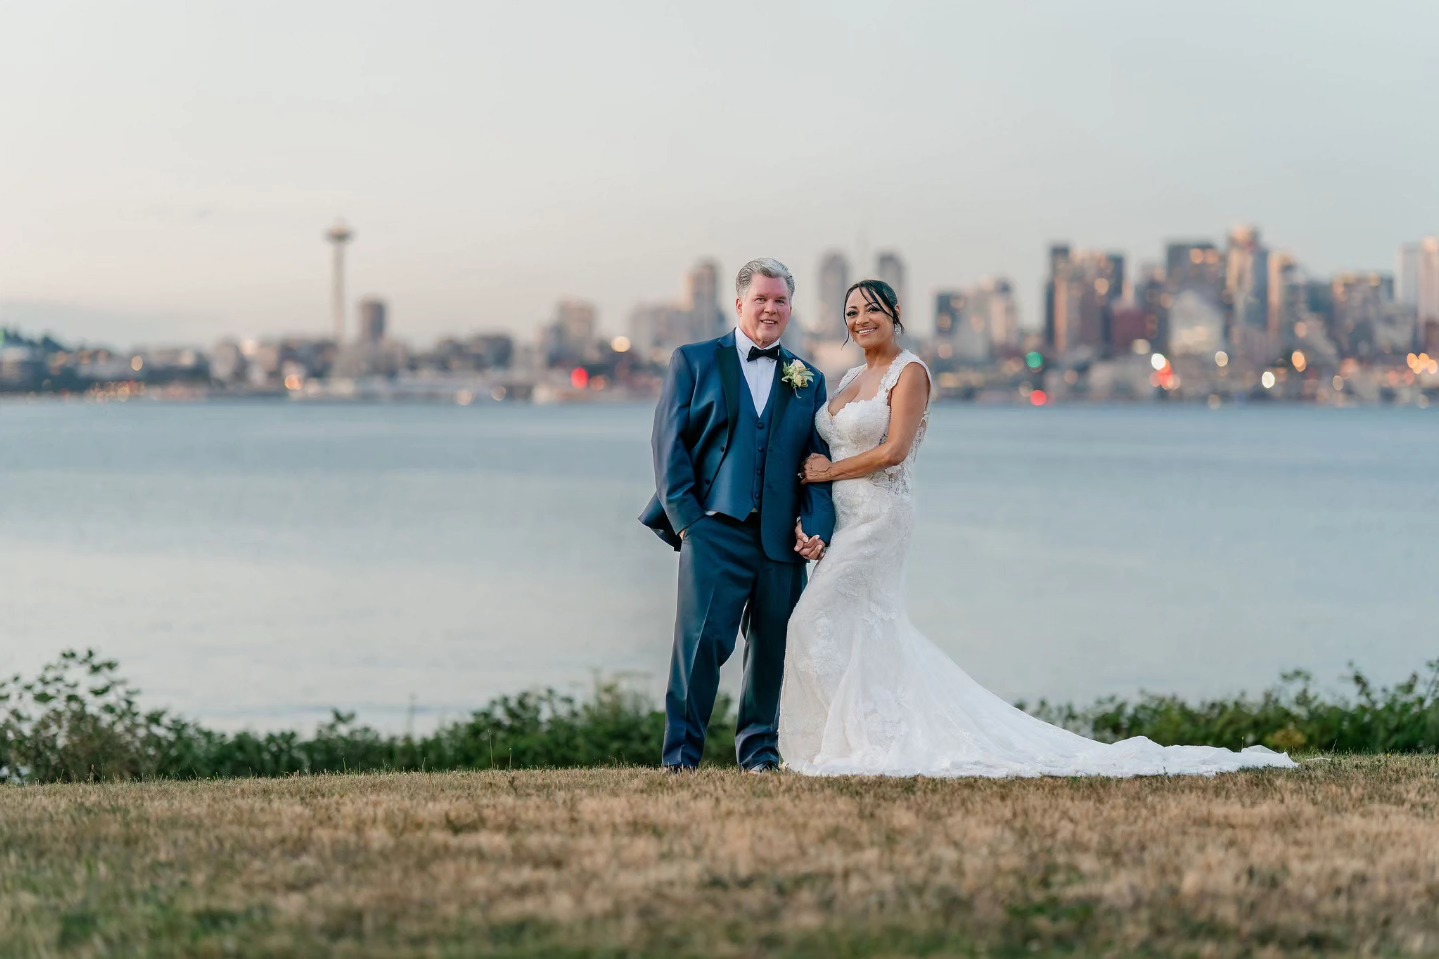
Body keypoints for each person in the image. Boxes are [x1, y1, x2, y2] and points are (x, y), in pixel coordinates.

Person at [778, 279, 1297, 777]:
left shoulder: (910, 373)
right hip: (842, 517)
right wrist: (813, 502)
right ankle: (859, 736)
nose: (861, 319)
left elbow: (893, 453)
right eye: (851, 312)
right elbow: (823, 447)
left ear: (894, 316)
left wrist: (830, 471)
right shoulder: (846, 380)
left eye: (872, 309)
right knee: (864, 630)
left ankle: (872, 737)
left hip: (880, 517)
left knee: (811, 620)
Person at [640, 257, 835, 773]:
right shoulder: (695, 360)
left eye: (781, 301)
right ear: (739, 304)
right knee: (699, 647)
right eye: (762, 299)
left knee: (772, 652)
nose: (771, 308)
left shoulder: (808, 379)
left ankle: (760, 757)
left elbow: (817, 463)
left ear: (791, 308)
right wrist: (688, 521)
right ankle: (681, 759)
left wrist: (814, 529)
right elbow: (668, 445)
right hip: (714, 529)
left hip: (779, 542)